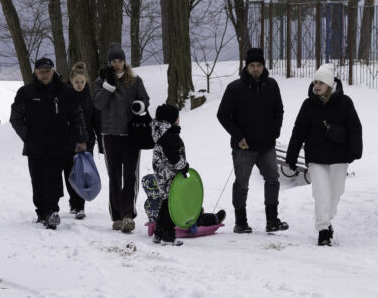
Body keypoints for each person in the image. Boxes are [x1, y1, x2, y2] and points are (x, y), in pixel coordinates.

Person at [285, 64, 363, 246]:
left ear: (329, 83)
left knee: (335, 194)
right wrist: (292, 156)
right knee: (322, 194)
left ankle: (327, 220)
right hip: (316, 157)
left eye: (321, 82)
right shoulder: (308, 104)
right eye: (315, 82)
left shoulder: (345, 103)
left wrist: (355, 150)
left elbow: (355, 128)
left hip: (339, 156)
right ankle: (323, 230)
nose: (317, 85)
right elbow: (298, 131)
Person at [9, 57, 87, 230]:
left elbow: (77, 116)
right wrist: (27, 136)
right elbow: (15, 118)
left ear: (53, 71)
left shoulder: (65, 91)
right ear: (35, 73)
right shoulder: (26, 92)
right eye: (41, 71)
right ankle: (41, 212)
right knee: (38, 181)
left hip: (59, 145)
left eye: (47, 71)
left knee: (53, 180)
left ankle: (52, 212)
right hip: (34, 146)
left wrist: (81, 139)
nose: (44, 74)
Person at [216, 47, 286, 234]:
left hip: (266, 145)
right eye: (252, 65)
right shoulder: (235, 88)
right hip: (244, 147)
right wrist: (238, 137)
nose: (256, 69)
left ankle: (272, 219)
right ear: (246, 67)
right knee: (242, 183)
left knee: (273, 179)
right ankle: (241, 222)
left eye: (259, 65)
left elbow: (278, 110)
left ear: (264, 66)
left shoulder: (271, 85)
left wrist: (275, 131)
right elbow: (223, 115)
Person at [92, 43, 150, 234]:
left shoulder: (135, 80)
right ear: (109, 63)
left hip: (130, 135)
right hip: (109, 135)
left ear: (125, 62)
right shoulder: (100, 81)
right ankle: (116, 216)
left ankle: (128, 215)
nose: (117, 64)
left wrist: (139, 105)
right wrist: (108, 88)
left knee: (130, 176)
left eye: (120, 61)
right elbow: (98, 104)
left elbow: (145, 100)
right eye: (114, 61)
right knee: (114, 177)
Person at [150, 104, 226, 245]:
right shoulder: (168, 136)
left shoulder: (162, 133)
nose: (179, 119)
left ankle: (158, 234)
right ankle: (167, 237)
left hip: (163, 175)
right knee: (170, 207)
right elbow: (173, 157)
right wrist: (184, 167)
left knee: (166, 204)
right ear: (171, 119)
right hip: (169, 175)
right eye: (177, 116)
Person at [63, 62, 101, 220]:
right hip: (67, 141)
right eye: (76, 82)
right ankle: (73, 201)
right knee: (69, 172)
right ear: (71, 81)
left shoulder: (90, 100)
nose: (79, 84)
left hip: (86, 141)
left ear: (86, 81)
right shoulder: (65, 98)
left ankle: (80, 205)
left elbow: (96, 121)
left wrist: (100, 142)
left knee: (82, 172)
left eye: (82, 82)